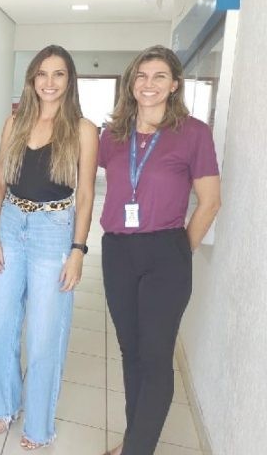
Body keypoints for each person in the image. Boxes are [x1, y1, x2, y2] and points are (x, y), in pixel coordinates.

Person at [100, 46, 220, 455]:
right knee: (130, 351)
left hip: (166, 251)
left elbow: (210, 202)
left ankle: (136, 449)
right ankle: (136, 441)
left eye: (159, 76)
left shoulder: (193, 133)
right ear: (131, 83)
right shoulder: (113, 136)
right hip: (117, 251)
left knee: (154, 357)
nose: (148, 84)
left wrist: (179, 252)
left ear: (174, 85)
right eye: (141, 76)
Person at [0, 45, 99, 449]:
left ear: (70, 80)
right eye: (42, 74)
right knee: (0, 323)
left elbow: (86, 195)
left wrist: (78, 250)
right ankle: (1, 404)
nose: (49, 82)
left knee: (45, 334)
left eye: (59, 74)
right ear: (32, 79)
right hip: (11, 223)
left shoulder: (83, 129)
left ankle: (38, 425)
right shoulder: (15, 122)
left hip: (54, 229)